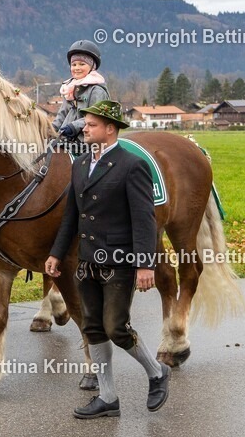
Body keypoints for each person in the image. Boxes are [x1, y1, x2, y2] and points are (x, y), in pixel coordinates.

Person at [44, 100, 169, 419]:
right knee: (93, 327)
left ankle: (157, 373)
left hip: (120, 262)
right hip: (87, 262)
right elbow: (71, 215)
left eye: (91, 125)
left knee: (116, 327)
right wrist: (56, 253)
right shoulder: (80, 164)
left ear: (110, 129)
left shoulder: (132, 165)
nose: (84, 128)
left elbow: (144, 219)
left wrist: (145, 264)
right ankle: (108, 397)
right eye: (85, 124)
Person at [52, 39, 110, 155]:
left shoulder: (97, 90)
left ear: (92, 67)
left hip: (88, 141)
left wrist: (73, 127)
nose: (77, 68)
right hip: (68, 138)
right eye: (74, 65)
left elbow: (95, 117)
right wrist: (50, 129)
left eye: (82, 64)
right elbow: (62, 114)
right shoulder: (70, 89)